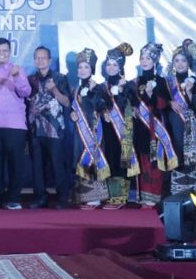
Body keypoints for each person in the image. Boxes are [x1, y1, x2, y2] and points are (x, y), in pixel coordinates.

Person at [0, 37, 31, 210]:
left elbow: (26, 92)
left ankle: (13, 198)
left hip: (14, 125)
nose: (1, 54)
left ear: (10, 52)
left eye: (4, 51)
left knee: (15, 164)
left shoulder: (16, 70)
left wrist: (16, 76)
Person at [132, 43, 176, 208]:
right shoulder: (136, 81)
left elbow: (165, 104)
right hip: (141, 126)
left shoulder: (162, 81)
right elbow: (132, 103)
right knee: (143, 158)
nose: (144, 61)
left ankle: (155, 196)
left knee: (155, 160)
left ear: (155, 61)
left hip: (156, 127)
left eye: (148, 58)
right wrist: (133, 109)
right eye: (142, 58)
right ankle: (144, 195)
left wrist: (151, 95)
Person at [27, 46, 71, 208]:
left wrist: (54, 90)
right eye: (37, 58)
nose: (40, 61)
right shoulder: (30, 79)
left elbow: (66, 102)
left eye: (43, 58)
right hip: (35, 129)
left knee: (57, 164)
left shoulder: (60, 78)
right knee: (37, 166)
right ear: (34, 60)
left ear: (50, 60)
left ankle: (63, 198)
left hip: (55, 129)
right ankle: (40, 197)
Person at [100, 44, 139, 209]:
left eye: (115, 65)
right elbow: (99, 105)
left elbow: (135, 105)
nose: (111, 67)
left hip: (124, 128)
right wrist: (103, 111)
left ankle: (122, 197)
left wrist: (122, 90)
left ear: (121, 67)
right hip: (108, 129)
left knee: (124, 160)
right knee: (111, 159)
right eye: (108, 64)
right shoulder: (101, 87)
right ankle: (113, 196)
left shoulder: (129, 85)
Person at [71, 49, 110, 208]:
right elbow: (73, 108)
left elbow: (101, 106)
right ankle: (83, 195)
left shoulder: (97, 87)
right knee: (80, 158)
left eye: (86, 67)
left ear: (92, 69)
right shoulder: (75, 88)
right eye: (80, 67)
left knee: (94, 157)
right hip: (79, 130)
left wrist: (92, 92)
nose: (82, 70)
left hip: (93, 127)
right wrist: (72, 114)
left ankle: (96, 196)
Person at [165, 45, 196, 196]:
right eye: (177, 60)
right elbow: (161, 103)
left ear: (189, 63)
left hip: (191, 125)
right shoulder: (167, 82)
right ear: (173, 63)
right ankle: (178, 192)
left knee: (192, 155)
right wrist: (170, 102)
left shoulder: (195, 81)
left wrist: (189, 93)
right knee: (177, 152)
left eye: (183, 60)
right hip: (173, 123)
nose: (180, 64)